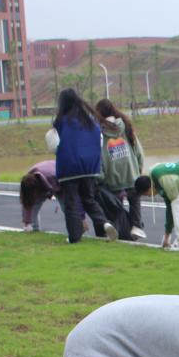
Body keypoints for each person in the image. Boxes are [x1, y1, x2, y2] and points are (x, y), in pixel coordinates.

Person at [50, 88, 118, 244]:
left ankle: (74, 237)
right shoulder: (91, 120)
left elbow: (54, 145)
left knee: (71, 203)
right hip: (90, 167)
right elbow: (99, 142)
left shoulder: (61, 121)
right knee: (89, 199)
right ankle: (105, 223)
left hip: (70, 168)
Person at [96, 98, 147, 241]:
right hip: (132, 176)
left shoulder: (98, 133)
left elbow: (98, 157)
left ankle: (117, 231)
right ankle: (136, 226)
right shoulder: (126, 126)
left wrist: (101, 176)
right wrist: (139, 168)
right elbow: (138, 151)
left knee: (116, 208)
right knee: (135, 201)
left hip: (112, 180)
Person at [19, 160, 67, 233]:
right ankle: (34, 229)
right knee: (34, 204)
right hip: (45, 181)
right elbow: (27, 202)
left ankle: (75, 229)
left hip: (60, 181)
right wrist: (27, 223)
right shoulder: (27, 181)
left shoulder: (52, 176)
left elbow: (68, 193)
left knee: (66, 207)